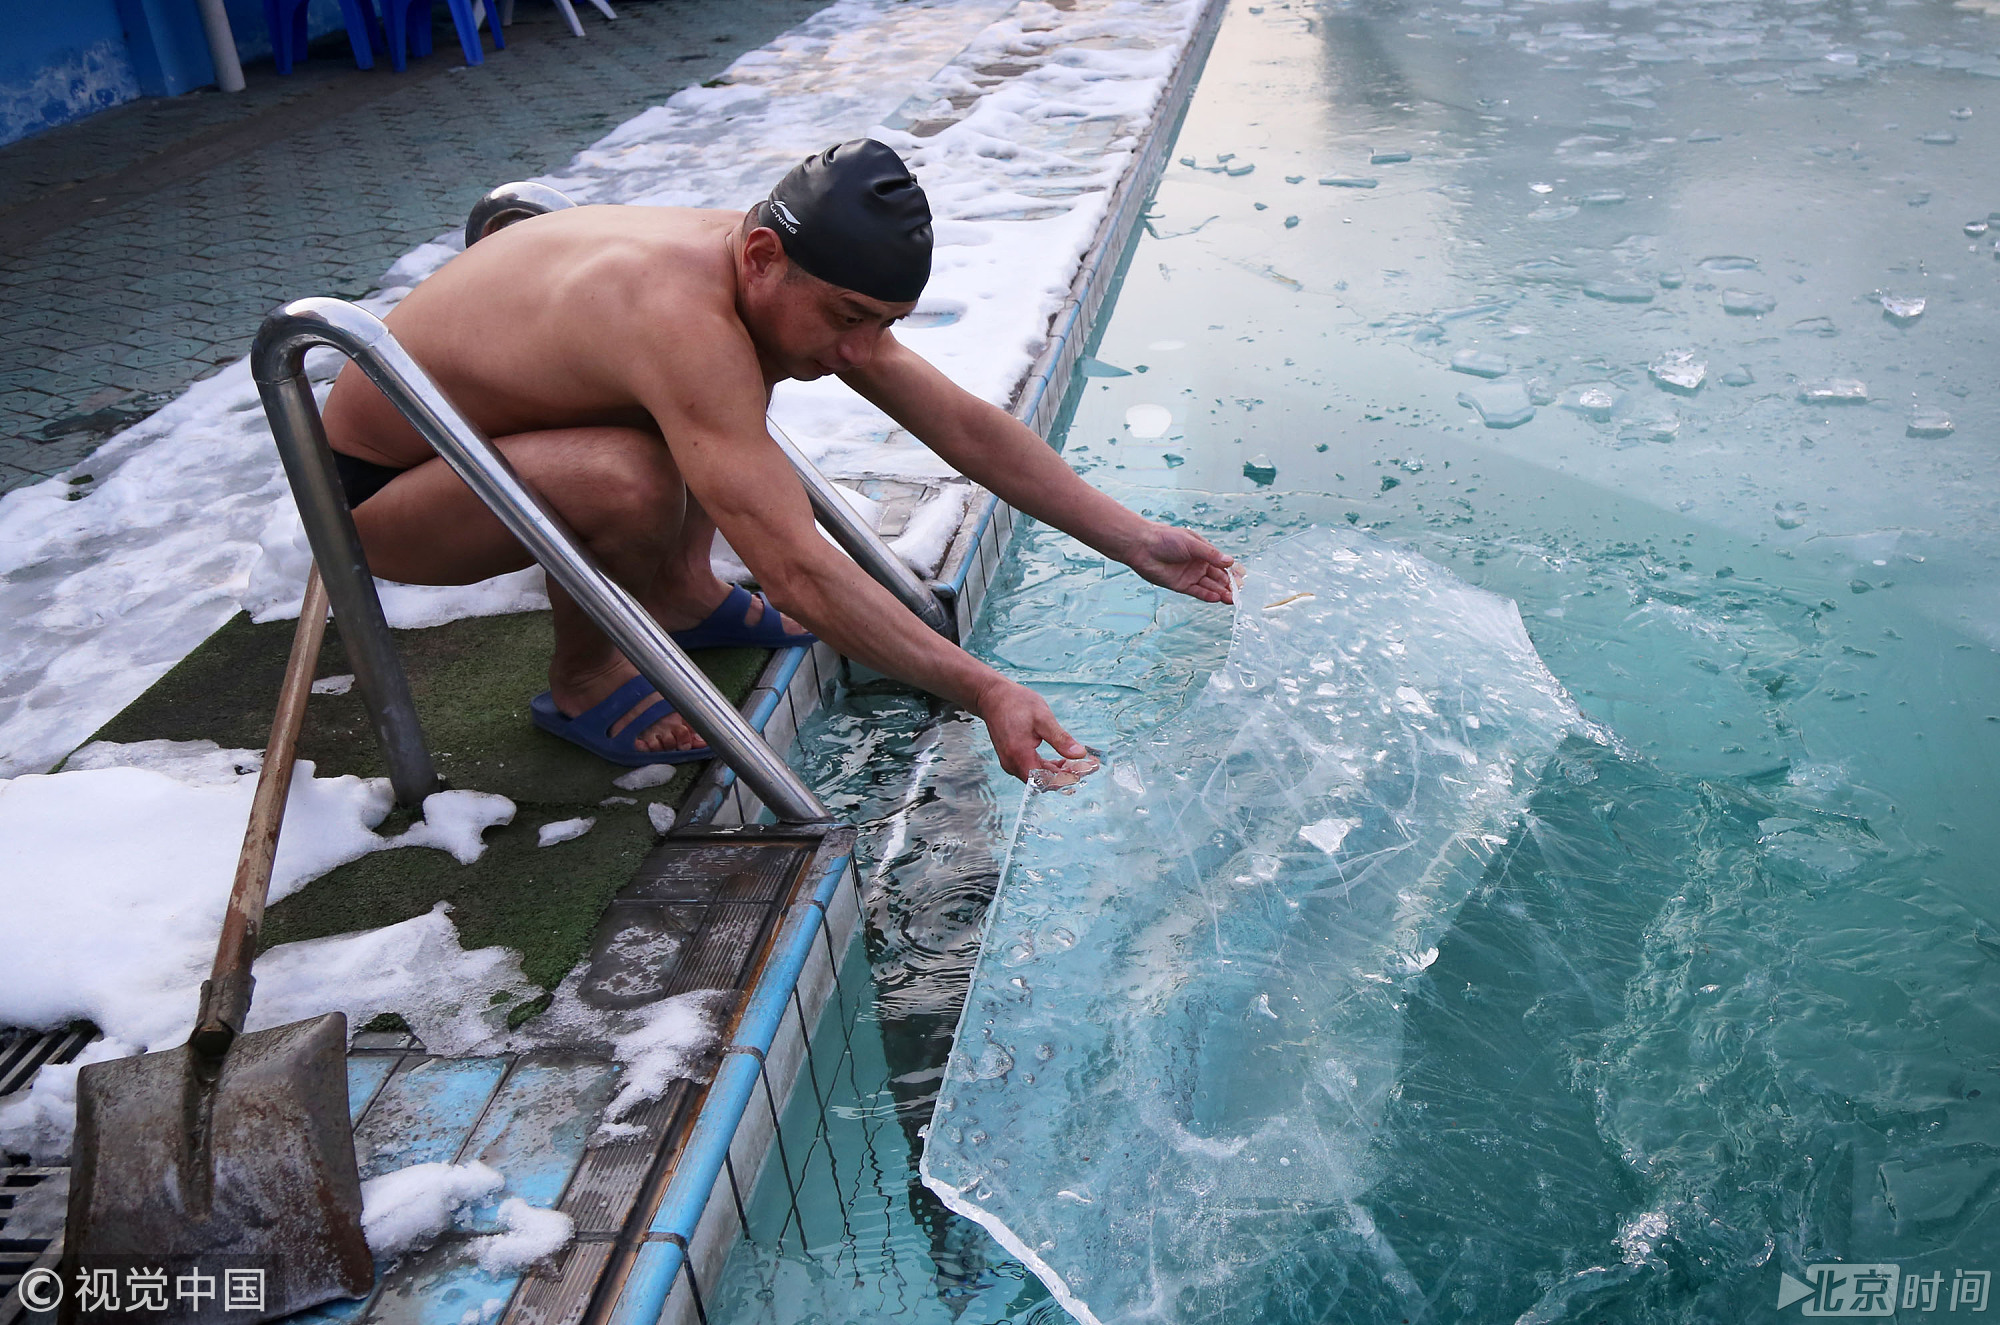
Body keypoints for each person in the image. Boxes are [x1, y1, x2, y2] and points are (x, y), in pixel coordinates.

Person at [321, 139, 1234, 780]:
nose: (857, 349)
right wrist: (985, 688)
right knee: (630, 474)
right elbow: (794, 567)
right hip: (380, 494)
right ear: (762, 253)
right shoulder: (676, 310)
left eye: (880, 326)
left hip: (487, 442)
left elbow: (961, 425)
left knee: (723, 392)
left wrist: (1133, 539)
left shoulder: (771, 267)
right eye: (847, 319)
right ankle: (584, 680)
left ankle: (681, 593)